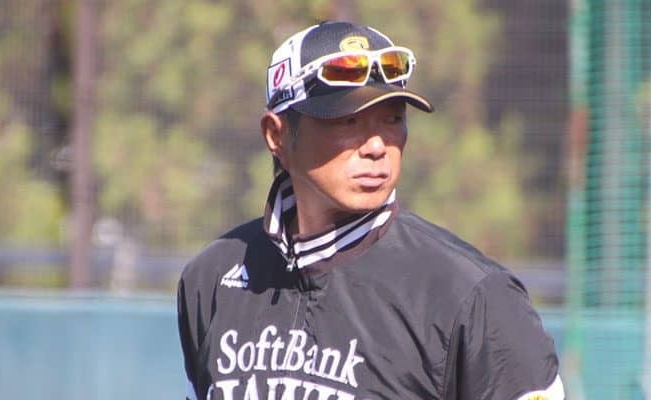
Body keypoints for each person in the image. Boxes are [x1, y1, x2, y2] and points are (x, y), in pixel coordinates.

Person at [177, 20, 563, 400]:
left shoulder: (474, 296)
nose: (377, 146)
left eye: (393, 119)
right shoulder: (212, 278)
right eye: (348, 121)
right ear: (276, 134)